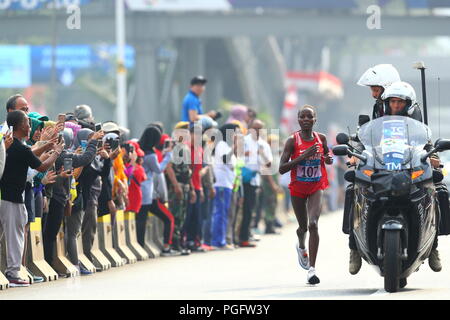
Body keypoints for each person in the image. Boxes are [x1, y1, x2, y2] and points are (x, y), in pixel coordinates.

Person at [0, 110, 63, 287]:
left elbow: (31, 152)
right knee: (15, 238)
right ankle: (13, 273)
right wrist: (56, 152)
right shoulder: (20, 147)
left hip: (4, 196)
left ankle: (11, 272)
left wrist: (46, 144)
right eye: (28, 123)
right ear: (21, 126)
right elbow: (41, 164)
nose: (30, 126)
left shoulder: (9, 144)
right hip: (13, 199)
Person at [279, 105, 333, 285]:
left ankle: (312, 269)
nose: (305, 120)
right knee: (302, 227)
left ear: (315, 119)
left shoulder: (321, 138)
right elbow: (281, 169)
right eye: (302, 117)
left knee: (313, 224)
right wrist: (302, 157)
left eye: (309, 117)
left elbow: (327, 155)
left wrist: (328, 159)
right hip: (298, 188)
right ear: (298, 119)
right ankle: (301, 245)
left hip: (316, 186)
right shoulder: (292, 141)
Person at [136, 126, 174, 254]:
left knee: (140, 219)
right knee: (142, 220)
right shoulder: (151, 155)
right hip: (147, 191)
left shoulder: (139, 148)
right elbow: (158, 169)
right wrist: (168, 156)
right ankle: (141, 246)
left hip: (138, 188)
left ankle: (139, 246)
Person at [240, 119, 273, 248]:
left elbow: (269, 163)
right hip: (242, 180)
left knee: (251, 209)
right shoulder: (244, 141)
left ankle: (246, 235)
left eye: (259, 128)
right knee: (244, 209)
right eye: (255, 128)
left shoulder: (263, 144)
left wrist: (262, 154)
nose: (257, 131)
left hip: (254, 180)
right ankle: (241, 237)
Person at [210, 123, 239, 249]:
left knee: (224, 212)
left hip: (227, 183)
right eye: (235, 132)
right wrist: (234, 148)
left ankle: (221, 240)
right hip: (221, 183)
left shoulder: (226, 145)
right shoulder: (221, 144)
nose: (236, 135)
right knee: (220, 212)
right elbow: (225, 159)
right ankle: (218, 241)